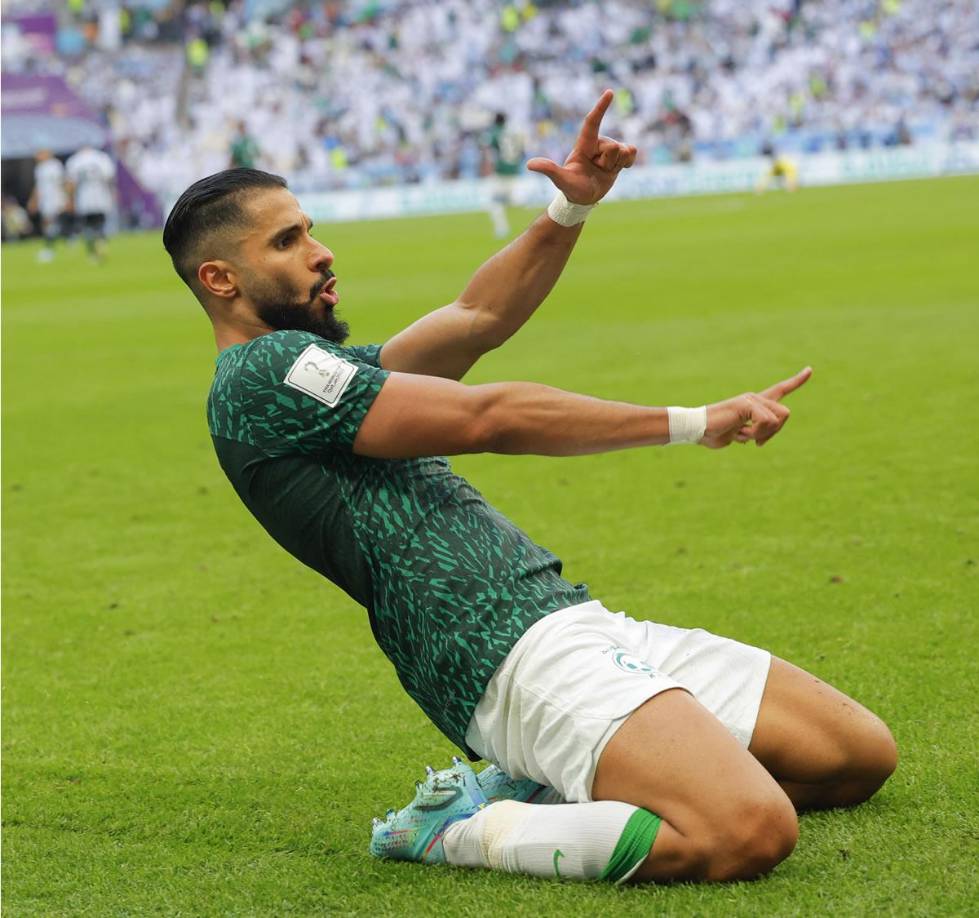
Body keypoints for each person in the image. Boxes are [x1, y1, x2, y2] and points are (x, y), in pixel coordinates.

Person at [162, 90, 896, 886]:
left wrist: (568, 209)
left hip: (562, 615)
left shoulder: (319, 376)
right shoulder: (260, 374)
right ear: (220, 278)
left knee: (857, 758)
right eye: (288, 240)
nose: (321, 251)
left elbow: (476, 316)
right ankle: (465, 829)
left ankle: (565, 787)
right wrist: (692, 420)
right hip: (495, 655)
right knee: (749, 832)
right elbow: (489, 417)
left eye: (310, 229)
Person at [65, 144, 117, 263]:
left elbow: (71, 183)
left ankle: (93, 252)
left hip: (84, 197)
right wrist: (112, 193)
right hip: (101, 195)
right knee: (100, 222)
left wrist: (70, 199)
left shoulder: (75, 160)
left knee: (87, 225)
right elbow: (109, 178)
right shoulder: (102, 158)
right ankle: (101, 243)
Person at [483, 112, 524, 238]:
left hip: (501, 172)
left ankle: (502, 229)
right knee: (513, 201)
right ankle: (528, 227)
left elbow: (488, 151)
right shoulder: (513, 133)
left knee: (492, 202)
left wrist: (487, 168)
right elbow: (520, 150)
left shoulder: (494, 133)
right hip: (514, 170)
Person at [28, 149, 69, 263]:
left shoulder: (55, 165)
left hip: (55, 198)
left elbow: (63, 182)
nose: (37, 156)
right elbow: (38, 187)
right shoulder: (39, 168)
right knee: (48, 224)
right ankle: (56, 244)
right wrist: (33, 201)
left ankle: (50, 248)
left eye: (39, 153)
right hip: (45, 200)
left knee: (52, 224)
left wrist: (67, 199)